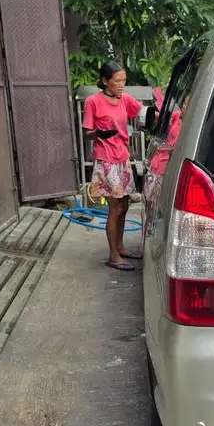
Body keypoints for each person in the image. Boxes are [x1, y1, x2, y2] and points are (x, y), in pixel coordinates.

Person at [82, 61, 145, 271]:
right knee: (115, 208)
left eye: (124, 80)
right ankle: (113, 255)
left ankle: (120, 246)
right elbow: (87, 131)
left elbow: (143, 112)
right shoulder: (93, 102)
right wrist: (99, 133)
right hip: (106, 159)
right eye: (117, 81)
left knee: (125, 206)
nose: (121, 85)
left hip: (122, 157)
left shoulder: (125, 99)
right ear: (105, 81)